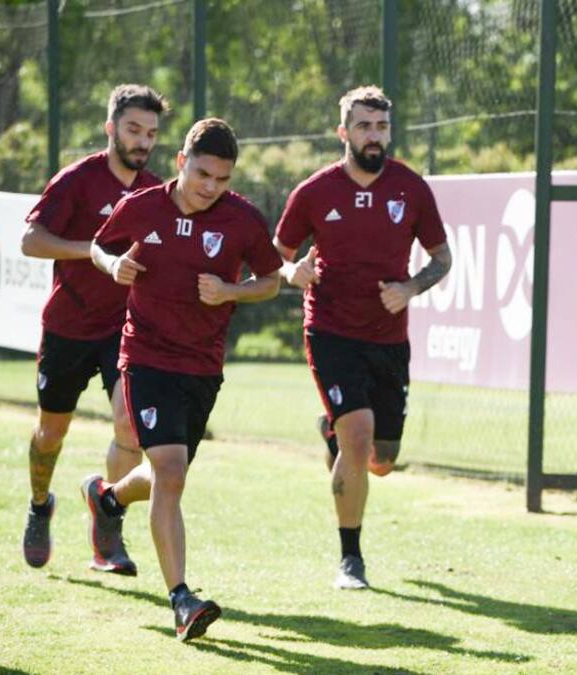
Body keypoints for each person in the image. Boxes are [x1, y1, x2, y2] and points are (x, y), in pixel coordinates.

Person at [88, 118, 283, 641]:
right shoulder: (143, 205)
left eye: (222, 179)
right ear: (181, 162)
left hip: (202, 367)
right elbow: (99, 245)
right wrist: (113, 266)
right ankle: (181, 599)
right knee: (171, 472)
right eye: (202, 174)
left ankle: (107, 499)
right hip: (146, 358)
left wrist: (231, 291)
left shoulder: (243, 219)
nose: (210, 187)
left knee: (165, 474)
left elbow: (270, 281)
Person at [274, 86, 451, 590]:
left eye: (381, 127)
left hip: (388, 339)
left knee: (382, 460)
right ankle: (350, 559)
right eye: (363, 127)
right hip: (330, 331)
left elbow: (442, 258)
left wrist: (410, 288)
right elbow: (276, 255)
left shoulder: (411, 188)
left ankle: (332, 433)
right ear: (343, 133)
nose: (373, 136)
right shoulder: (314, 192)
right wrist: (292, 272)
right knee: (357, 437)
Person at [19, 84, 167, 574]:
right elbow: (31, 241)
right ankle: (40, 505)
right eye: (133, 130)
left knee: (128, 425)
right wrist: (95, 252)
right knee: (50, 432)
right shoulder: (77, 180)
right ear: (110, 128)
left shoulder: (156, 191)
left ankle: (108, 529)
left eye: (151, 133)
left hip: (126, 330)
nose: (142, 141)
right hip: (68, 326)